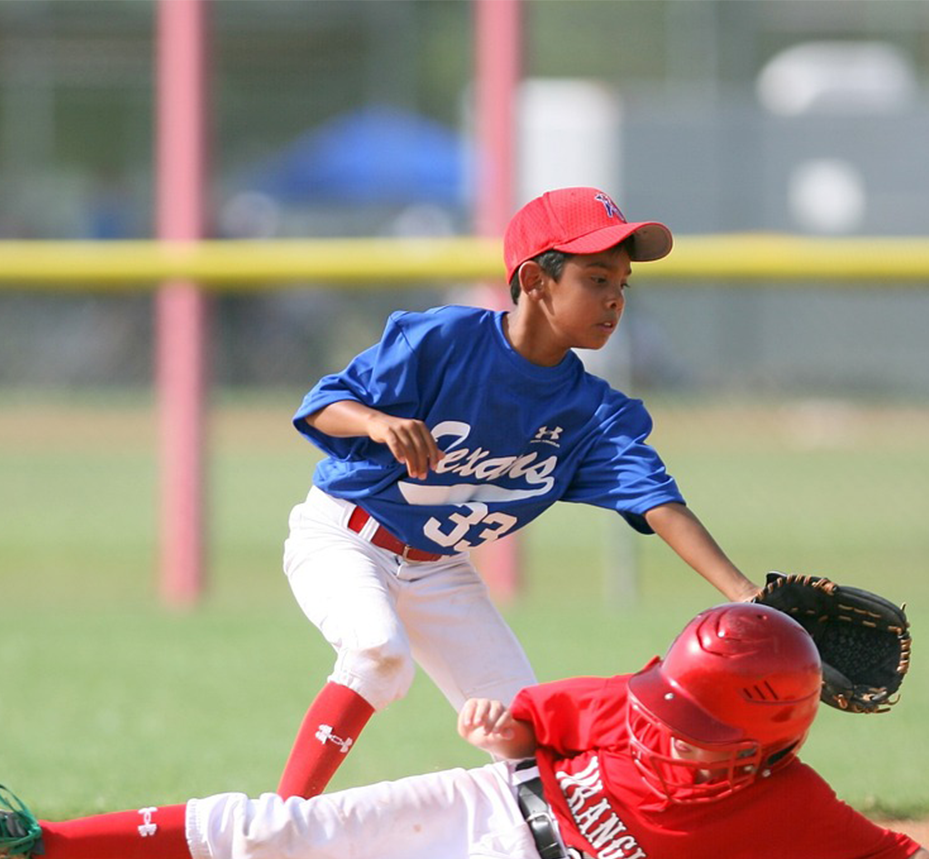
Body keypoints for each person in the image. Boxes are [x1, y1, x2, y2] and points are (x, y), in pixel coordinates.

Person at [0, 604, 929, 859]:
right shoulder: (626, 699)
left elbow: (900, 854)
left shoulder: (796, 810)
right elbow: (530, 732)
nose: (662, 723)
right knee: (271, 826)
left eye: (691, 723)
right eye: (665, 702)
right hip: (489, 799)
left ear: (763, 744)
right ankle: (42, 844)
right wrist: (497, 729)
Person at [274, 186, 760, 803]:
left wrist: (748, 596)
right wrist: (375, 421)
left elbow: (661, 505)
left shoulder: (592, 414)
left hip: (438, 571)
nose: (614, 298)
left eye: (623, 284)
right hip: (345, 539)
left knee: (525, 732)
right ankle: (275, 838)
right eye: (595, 277)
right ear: (535, 279)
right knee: (378, 654)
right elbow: (321, 406)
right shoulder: (446, 341)